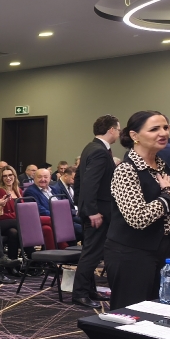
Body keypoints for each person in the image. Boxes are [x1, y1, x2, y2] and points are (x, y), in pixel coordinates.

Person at [105, 111, 170, 309]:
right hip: (131, 253)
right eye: (154, 129)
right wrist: (167, 195)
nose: (163, 133)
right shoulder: (126, 170)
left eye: (165, 127)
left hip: (163, 249)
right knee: (131, 314)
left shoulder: (163, 166)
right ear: (134, 135)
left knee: (158, 311)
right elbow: (138, 218)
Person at [72, 115, 120, 308]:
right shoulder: (99, 151)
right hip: (98, 212)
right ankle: (80, 293)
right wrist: (91, 211)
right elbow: (90, 183)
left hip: (93, 210)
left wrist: (80, 205)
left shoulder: (90, 148)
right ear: (111, 130)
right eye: (118, 129)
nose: (119, 133)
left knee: (91, 252)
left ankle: (89, 290)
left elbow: (78, 180)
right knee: (92, 254)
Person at [25, 168, 80, 246]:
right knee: (80, 229)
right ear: (34, 178)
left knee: (86, 222)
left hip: (63, 217)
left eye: (45, 177)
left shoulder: (54, 189)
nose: (43, 179)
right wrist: (59, 216)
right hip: (51, 219)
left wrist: (70, 213)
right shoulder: (30, 191)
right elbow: (39, 210)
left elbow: (62, 206)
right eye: (39, 177)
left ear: (50, 178)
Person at [0, 166, 21, 260]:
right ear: (1, 178)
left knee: (13, 232)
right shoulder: (0, 191)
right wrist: (18, 215)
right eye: (5, 176)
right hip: (4, 223)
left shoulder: (18, 191)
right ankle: (32, 254)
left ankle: (13, 262)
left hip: (14, 224)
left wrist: (20, 215)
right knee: (23, 223)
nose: (8, 178)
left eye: (10, 175)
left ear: (14, 176)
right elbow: (1, 216)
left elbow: (23, 209)